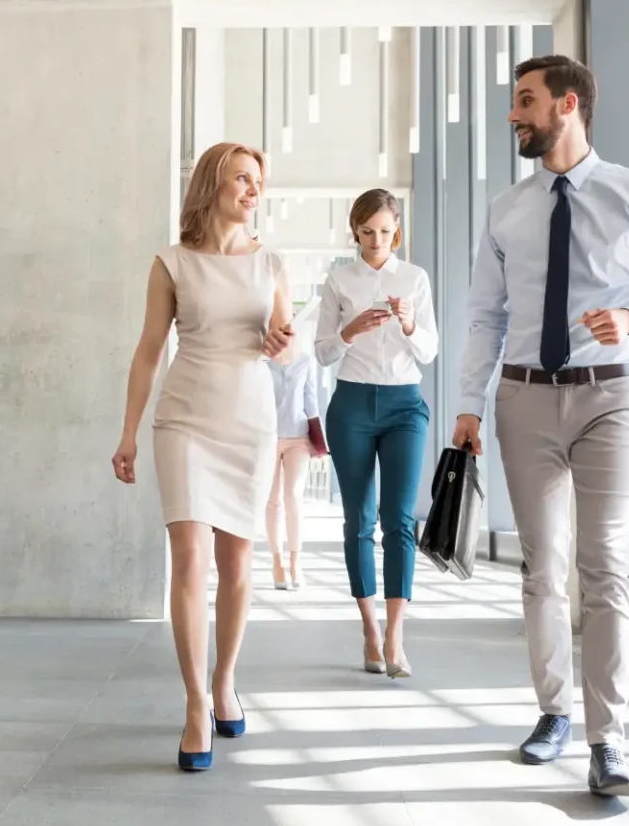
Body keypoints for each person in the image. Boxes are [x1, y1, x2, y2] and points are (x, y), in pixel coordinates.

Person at [452, 55, 629, 797]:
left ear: (567, 104)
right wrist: (468, 401)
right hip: (524, 400)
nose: (513, 115)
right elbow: (485, 316)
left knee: (605, 566)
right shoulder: (506, 209)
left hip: (609, 397)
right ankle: (553, 710)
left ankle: (609, 738)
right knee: (541, 566)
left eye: (524, 101)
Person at [112, 141, 293, 773]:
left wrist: (278, 342)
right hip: (184, 418)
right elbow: (148, 350)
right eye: (242, 178)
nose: (252, 190)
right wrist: (129, 431)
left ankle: (225, 681)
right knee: (188, 555)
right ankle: (194, 704)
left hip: (249, 422)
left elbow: (287, 348)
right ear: (213, 183)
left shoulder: (270, 262)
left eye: (259, 181)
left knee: (236, 561)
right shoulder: (172, 263)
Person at [314, 189, 438, 679]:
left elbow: (429, 352)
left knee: (399, 520)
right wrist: (351, 331)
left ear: (397, 232)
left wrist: (409, 324)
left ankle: (395, 635)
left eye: (385, 232)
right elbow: (322, 352)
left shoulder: (415, 278)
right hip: (351, 404)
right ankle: (368, 628)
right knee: (358, 520)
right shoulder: (339, 280)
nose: (375, 241)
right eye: (367, 232)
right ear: (355, 231)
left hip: (404, 404)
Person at [266, 346, 320, 590]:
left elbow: (311, 399)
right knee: (273, 501)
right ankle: (276, 561)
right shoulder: (260, 361)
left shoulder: (304, 360)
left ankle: (295, 561)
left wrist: (319, 440)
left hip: (299, 438)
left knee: (293, 498)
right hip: (267, 438)